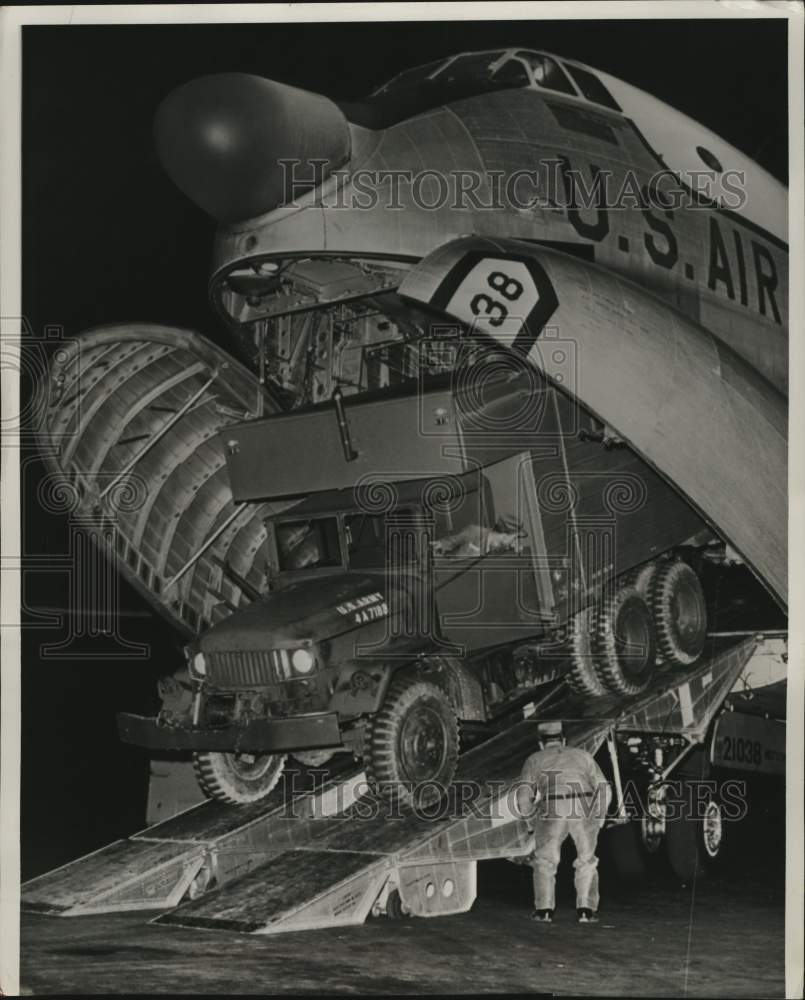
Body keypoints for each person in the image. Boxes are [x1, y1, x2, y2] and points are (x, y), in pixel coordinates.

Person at [516, 720, 611, 924]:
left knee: (545, 860)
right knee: (586, 858)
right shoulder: (583, 755)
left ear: (541, 743)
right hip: (584, 805)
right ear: (564, 740)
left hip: (553, 806)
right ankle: (586, 910)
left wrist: (532, 824)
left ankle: (544, 911)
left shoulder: (534, 759)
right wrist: (600, 816)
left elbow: (523, 797)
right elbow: (604, 788)